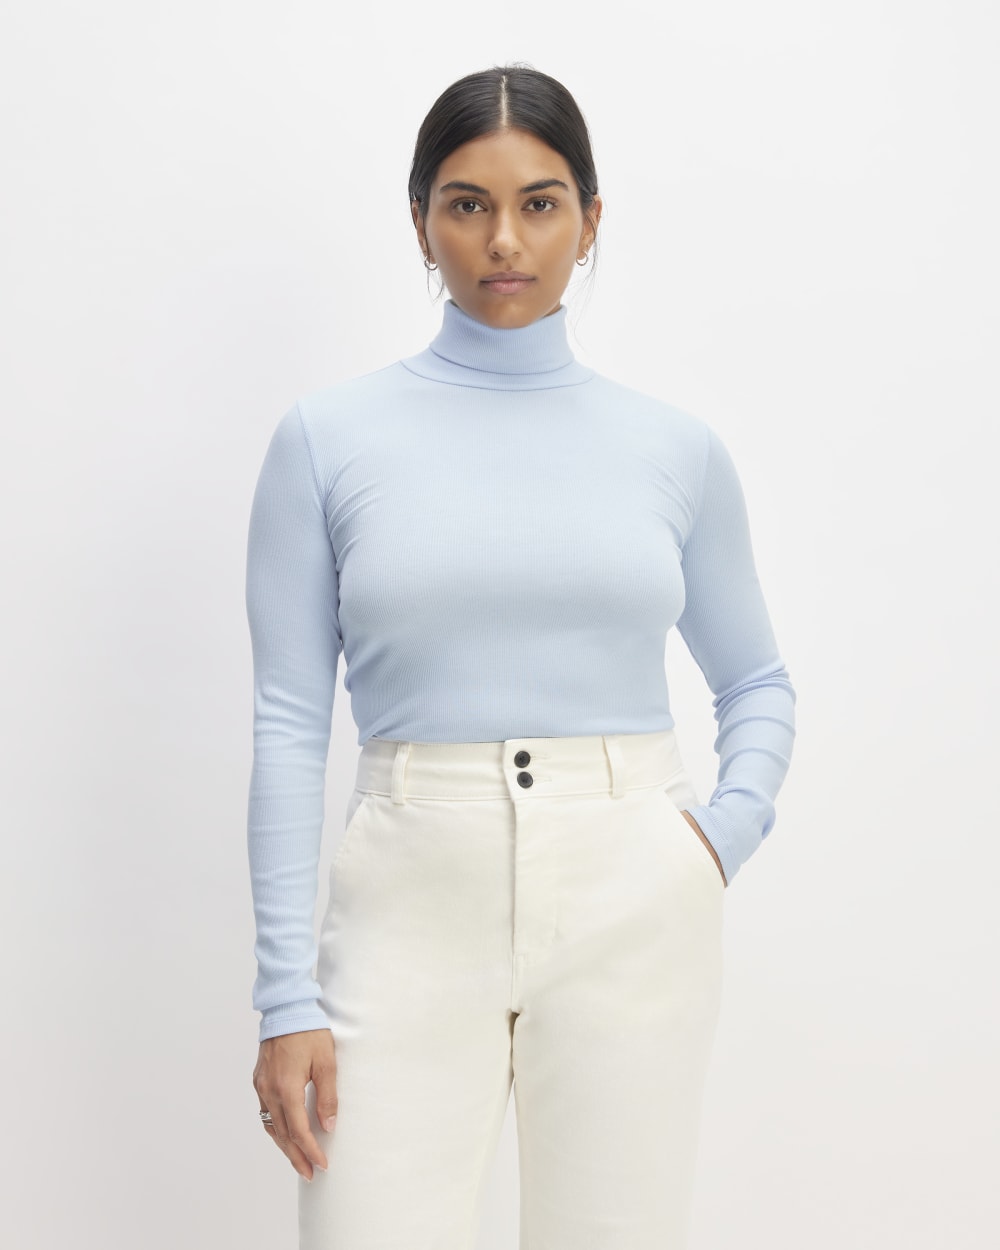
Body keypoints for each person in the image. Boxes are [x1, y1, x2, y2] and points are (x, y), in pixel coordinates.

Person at [245, 63, 796, 1250]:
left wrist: (715, 839)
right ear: (420, 222)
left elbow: (755, 678)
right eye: (467, 203)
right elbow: (290, 719)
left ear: (589, 221)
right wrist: (285, 994)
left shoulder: (673, 449)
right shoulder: (327, 441)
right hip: (406, 892)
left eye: (539, 204)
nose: (504, 239)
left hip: (632, 887)